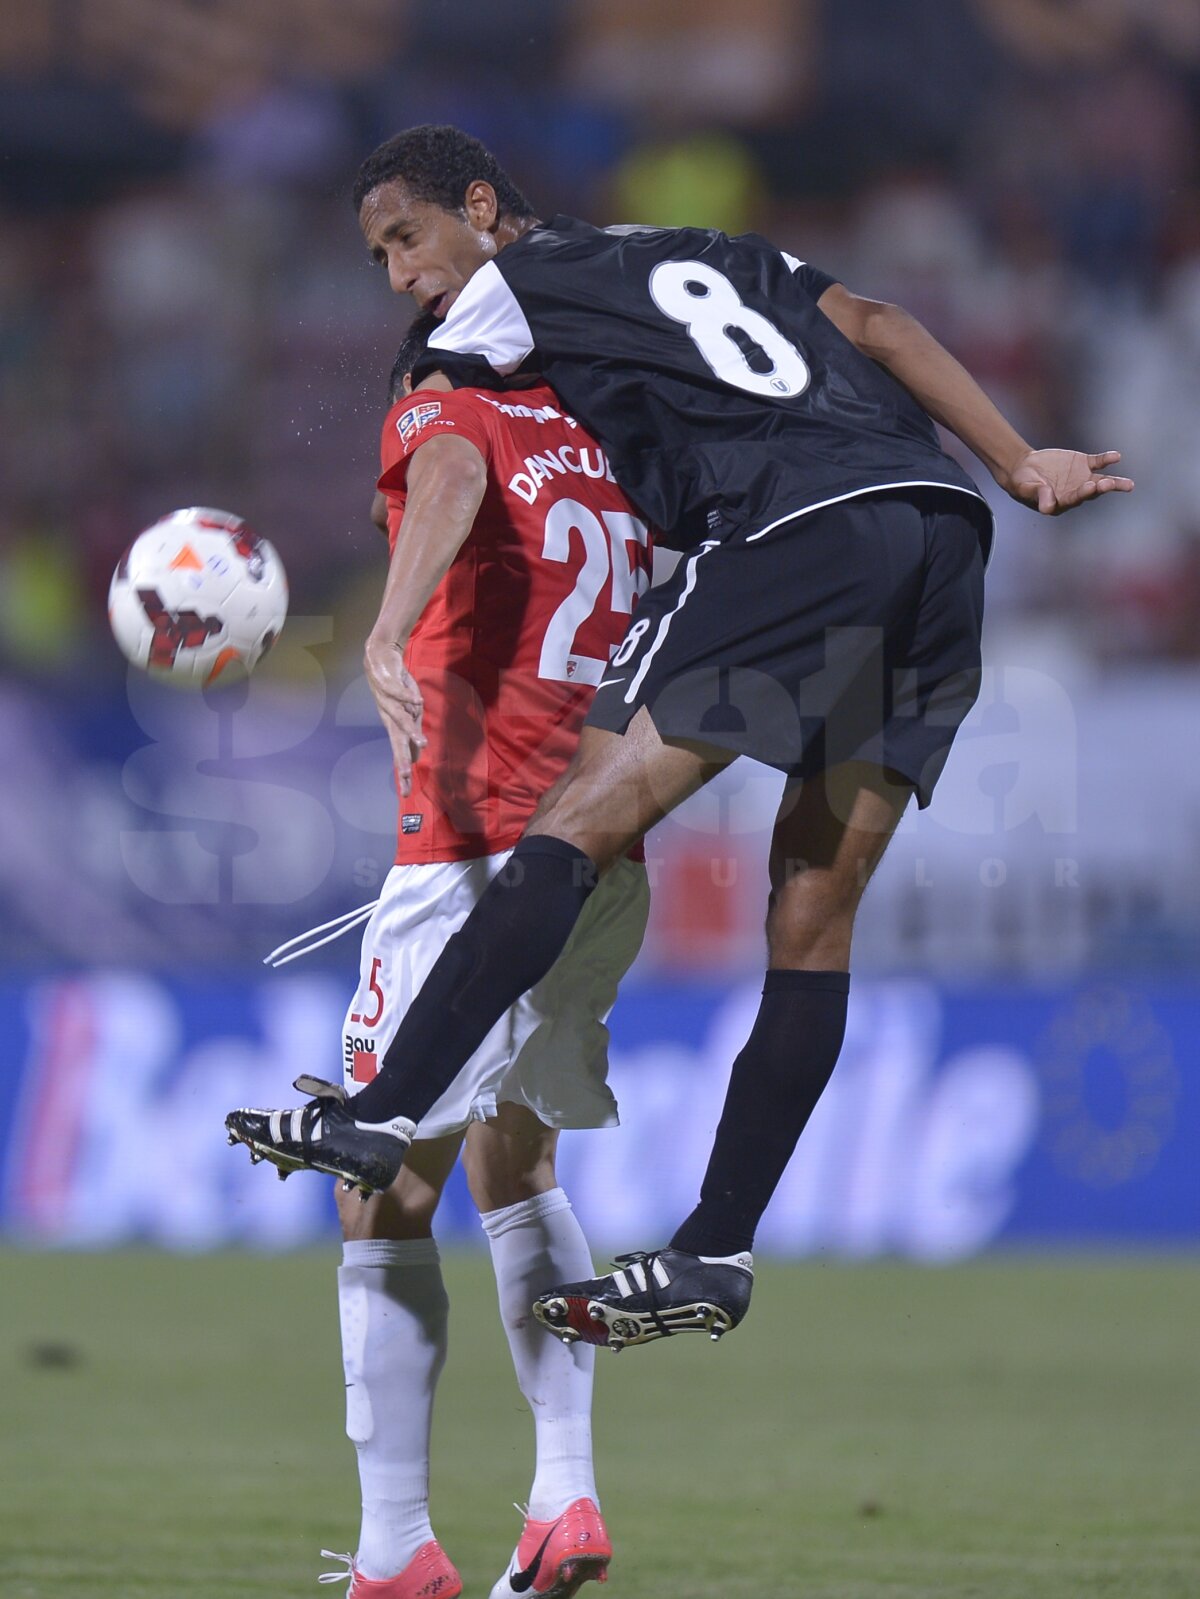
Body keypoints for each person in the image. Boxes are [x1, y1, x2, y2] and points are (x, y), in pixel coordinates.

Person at [229, 124, 1134, 1353]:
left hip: (789, 529)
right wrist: (1022, 462)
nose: (399, 273)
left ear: (482, 208)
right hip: (939, 528)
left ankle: (384, 1114)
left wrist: (385, 626)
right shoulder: (720, 251)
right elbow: (879, 326)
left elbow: (439, 444)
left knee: (580, 816)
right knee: (815, 907)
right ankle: (716, 1247)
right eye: (380, 253)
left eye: (407, 239)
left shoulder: (507, 288)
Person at [230, 314, 652, 1599]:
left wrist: (380, 627)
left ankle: (394, 1548)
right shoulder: (602, 452)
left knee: (381, 1185)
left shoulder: (443, 411)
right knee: (516, 1162)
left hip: (467, 854)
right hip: (596, 847)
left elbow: (449, 475)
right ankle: (565, 1497)